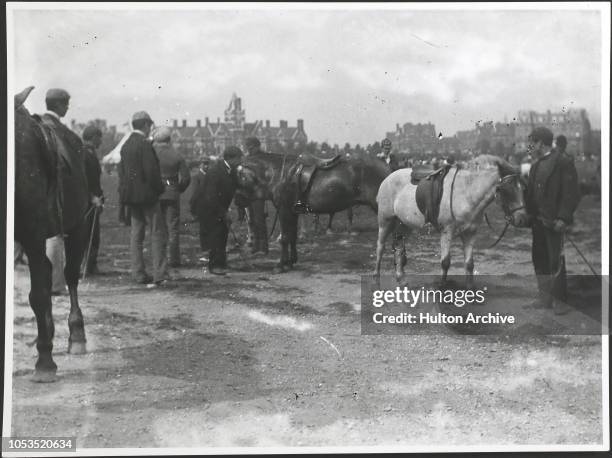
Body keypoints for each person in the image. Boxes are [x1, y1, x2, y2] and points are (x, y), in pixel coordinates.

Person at [525, 127, 580, 315]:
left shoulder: (563, 162)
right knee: (539, 259)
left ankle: (560, 302)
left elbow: (571, 194)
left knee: (555, 260)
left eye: (532, 141)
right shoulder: (535, 165)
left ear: (541, 142)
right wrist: (527, 215)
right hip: (538, 223)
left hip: (554, 223)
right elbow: (531, 196)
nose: (530, 146)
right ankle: (544, 299)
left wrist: (563, 218)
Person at [40, 88, 89, 295]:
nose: (68, 107)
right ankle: (55, 284)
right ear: (58, 105)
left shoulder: (38, 126)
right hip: (60, 190)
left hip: (41, 189)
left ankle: (48, 282)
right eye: (66, 103)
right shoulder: (60, 131)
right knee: (56, 235)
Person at [119, 111, 168, 286]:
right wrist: (159, 189)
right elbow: (152, 173)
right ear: (146, 125)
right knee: (157, 234)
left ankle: (138, 273)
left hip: (131, 198)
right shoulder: (145, 145)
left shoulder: (126, 145)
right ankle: (159, 274)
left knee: (136, 235)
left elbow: (122, 174)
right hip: (148, 197)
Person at [192, 146, 243, 275]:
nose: (241, 161)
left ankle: (221, 262)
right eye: (239, 158)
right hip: (208, 207)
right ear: (230, 158)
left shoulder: (230, 170)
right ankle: (214, 266)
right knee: (216, 235)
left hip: (218, 206)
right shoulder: (216, 171)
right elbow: (210, 196)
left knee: (222, 234)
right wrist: (223, 212)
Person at [153, 126, 191, 267]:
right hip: (172, 192)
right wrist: (178, 189)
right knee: (173, 228)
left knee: (158, 228)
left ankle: (159, 259)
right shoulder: (177, 155)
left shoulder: (153, 154)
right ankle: (174, 259)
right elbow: (186, 178)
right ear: (169, 139)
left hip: (156, 194)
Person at [81, 125, 105, 275]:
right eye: (99, 137)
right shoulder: (84, 154)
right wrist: (92, 197)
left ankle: (91, 265)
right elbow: (84, 180)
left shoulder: (90, 153)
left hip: (94, 199)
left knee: (93, 234)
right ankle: (86, 266)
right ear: (93, 137)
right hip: (88, 201)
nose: (101, 141)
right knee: (88, 234)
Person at [243, 137, 268, 255]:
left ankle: (263, 246)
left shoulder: (264, 159)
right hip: (248, 193)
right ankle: (256, 244)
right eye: (248, 147)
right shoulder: (247, 159)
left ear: (257, 146)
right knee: (252, 220)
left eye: (252, 147)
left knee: (259, 220)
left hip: (258, 193)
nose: (250, 149)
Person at [189, 157, 211, 260]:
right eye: (204, 164)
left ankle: (211, 250)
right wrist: (193, 208)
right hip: (202, 206)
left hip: (211, 206)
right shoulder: (197, 177)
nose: (206, 166)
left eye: (207, 164)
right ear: (200, 165)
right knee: (204, 230)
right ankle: (205, 251)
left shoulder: (211, 176)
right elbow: (195, 194)